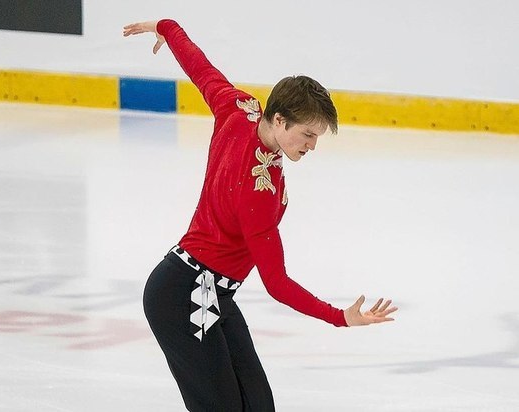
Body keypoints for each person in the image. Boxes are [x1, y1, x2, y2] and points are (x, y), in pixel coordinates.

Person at [123, 19, 398, 412]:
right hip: (182, 294)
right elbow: (277, 283)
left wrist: (168, 29)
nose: (312, 146)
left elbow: (201, 69)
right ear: (280, 120)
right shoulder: (258, 193)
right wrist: (340, 317)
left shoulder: (239, 109)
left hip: (210, 291)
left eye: (317, 137)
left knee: (257, 404)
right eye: (308, 134)